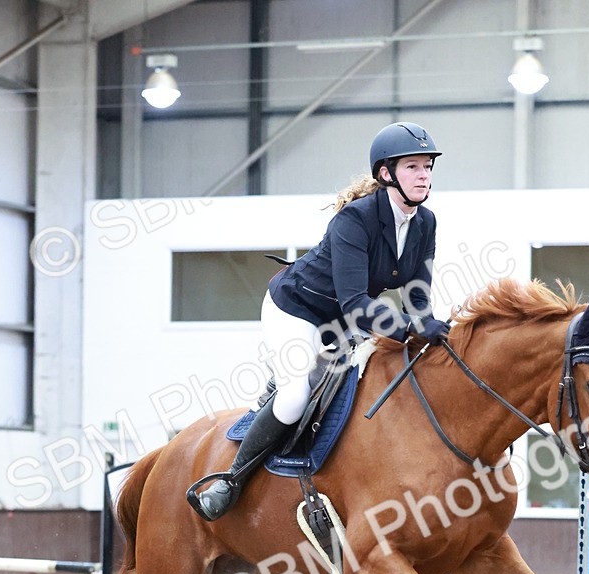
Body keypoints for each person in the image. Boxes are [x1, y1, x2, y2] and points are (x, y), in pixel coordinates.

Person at [187, 121, 451, 521]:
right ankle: (230, 480)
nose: (424, 175)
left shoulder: (425, 222)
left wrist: (429, 324)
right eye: (413, 166)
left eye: (427, 167)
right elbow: (356, 304)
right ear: (386, 173)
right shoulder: (355, 220)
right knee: (295, 396)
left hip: (346, 322)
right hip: (296, 309)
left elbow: (416, 294)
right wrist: (411, 327)